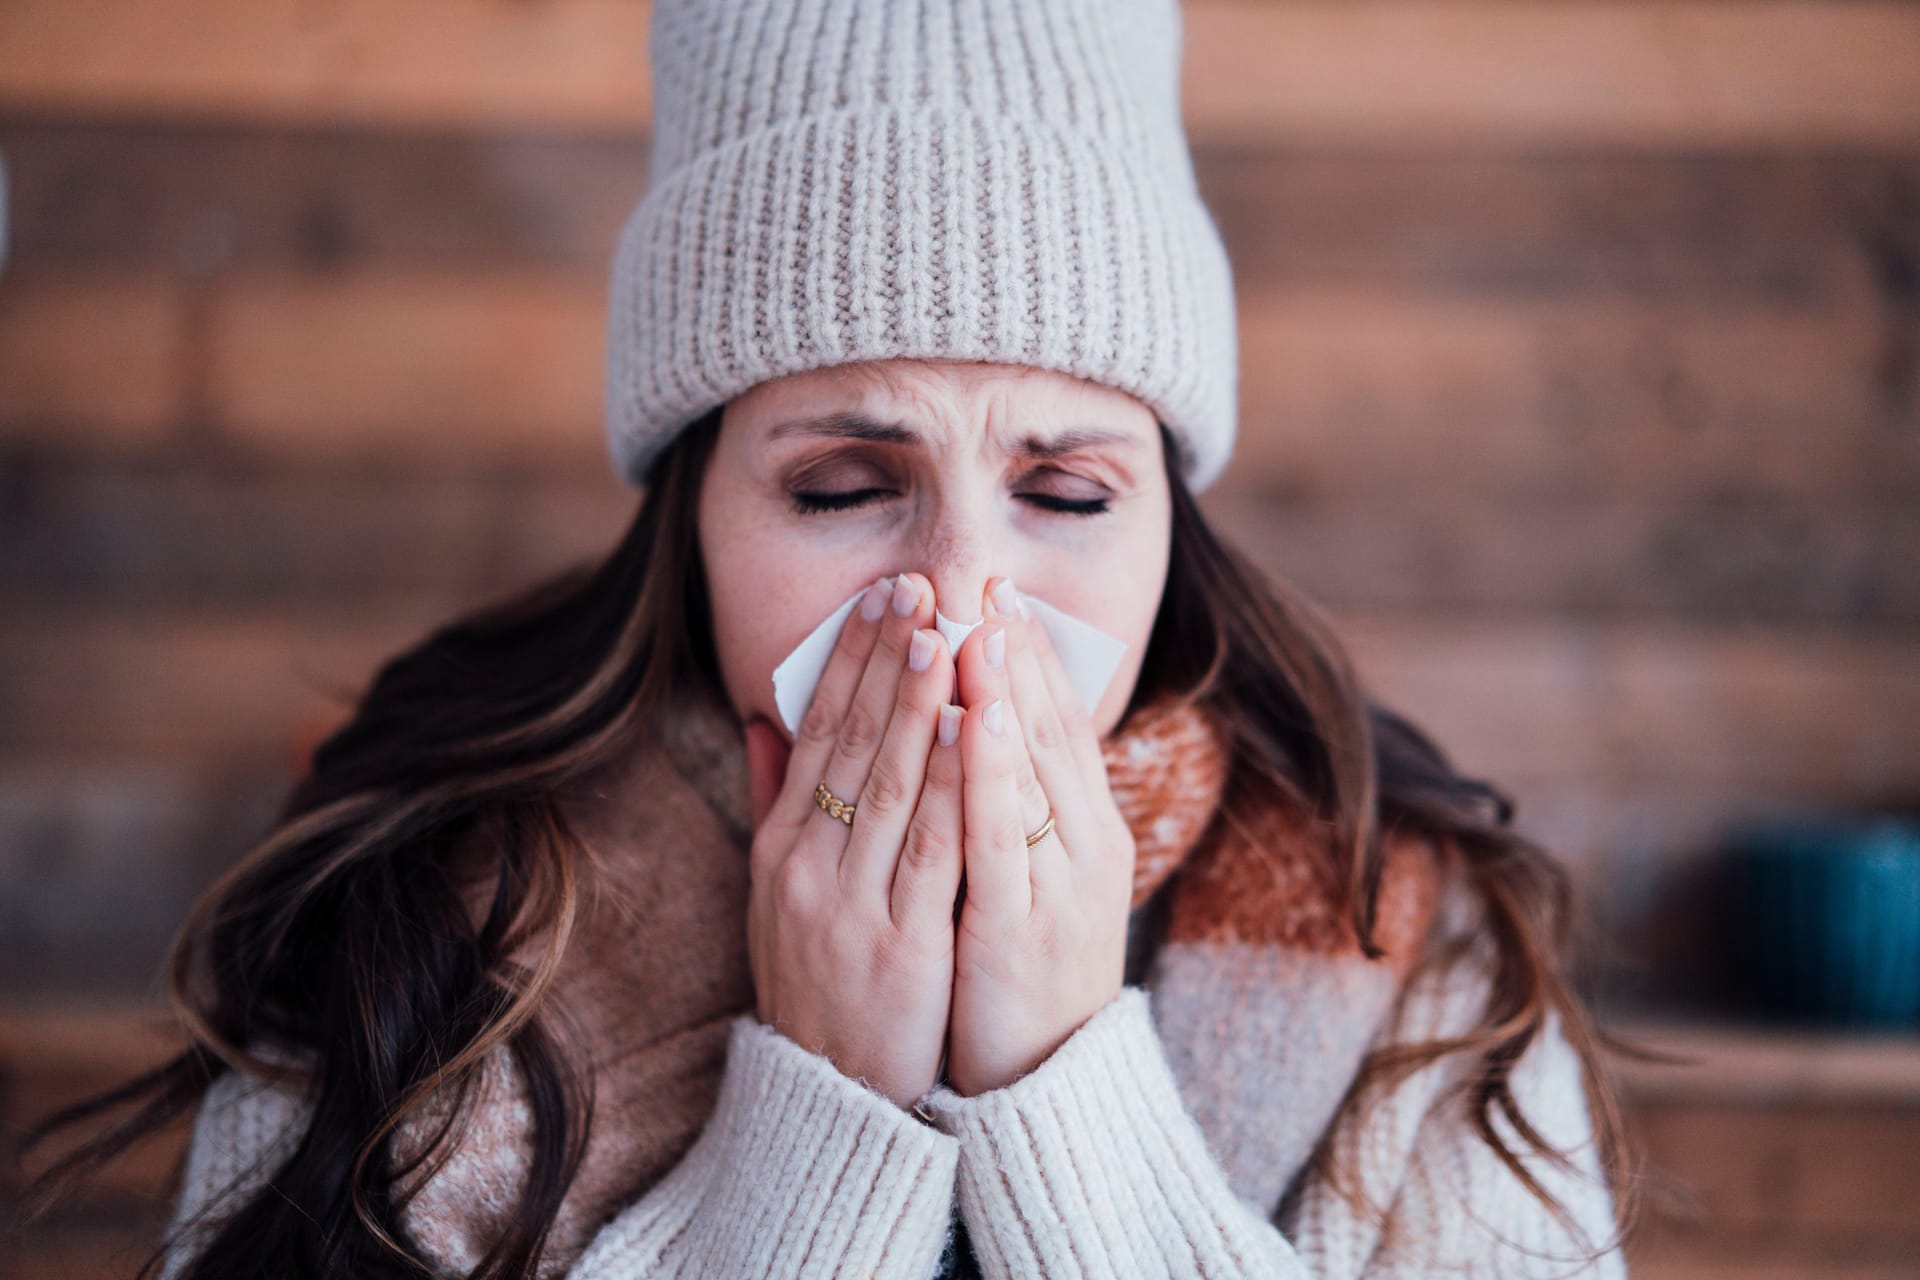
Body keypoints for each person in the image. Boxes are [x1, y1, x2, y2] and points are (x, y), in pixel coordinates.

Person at [24, 1, 1637, 1276]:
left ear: (1169, 523)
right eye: (850, 486)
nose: (958, 596)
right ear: (696, 513)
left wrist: (1062, 1088)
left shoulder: (1414, 951)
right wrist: (821, 1133)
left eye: (1066, 491)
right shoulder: (414, 925)